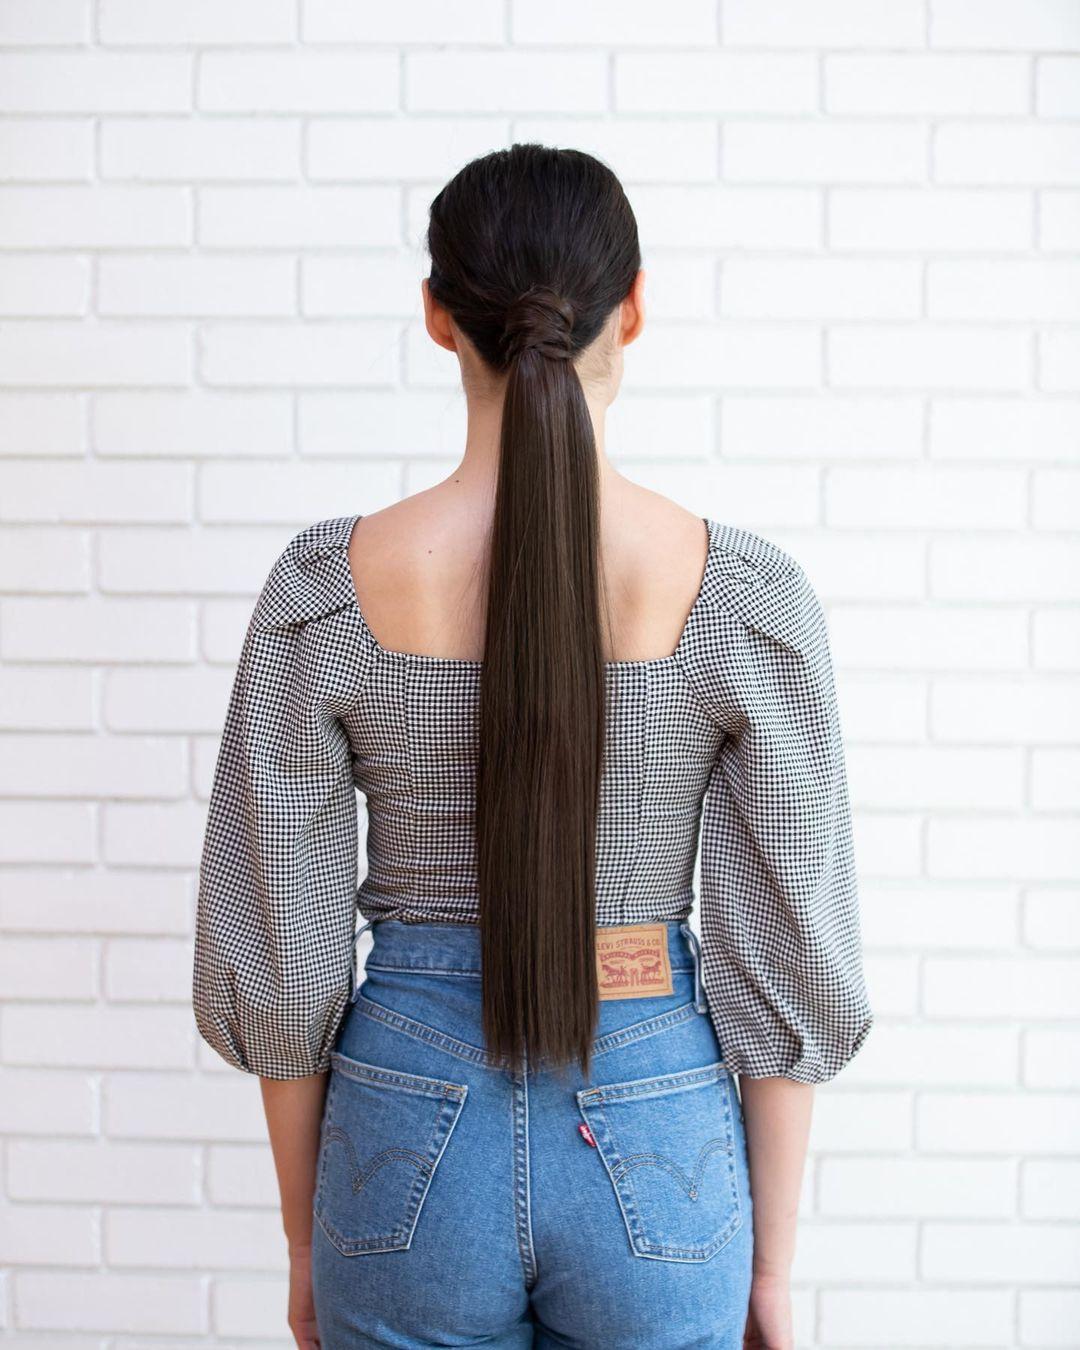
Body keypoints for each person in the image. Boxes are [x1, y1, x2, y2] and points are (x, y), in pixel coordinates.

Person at [193, 142, 874, 1350]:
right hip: (656, 1122)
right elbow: (785, 962)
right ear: (637, 308)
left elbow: (285, 962)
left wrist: (308, 1242)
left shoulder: (325, 595)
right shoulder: (747, 603)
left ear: (439, 319)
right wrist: (770, 1267)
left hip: (407, 1134)